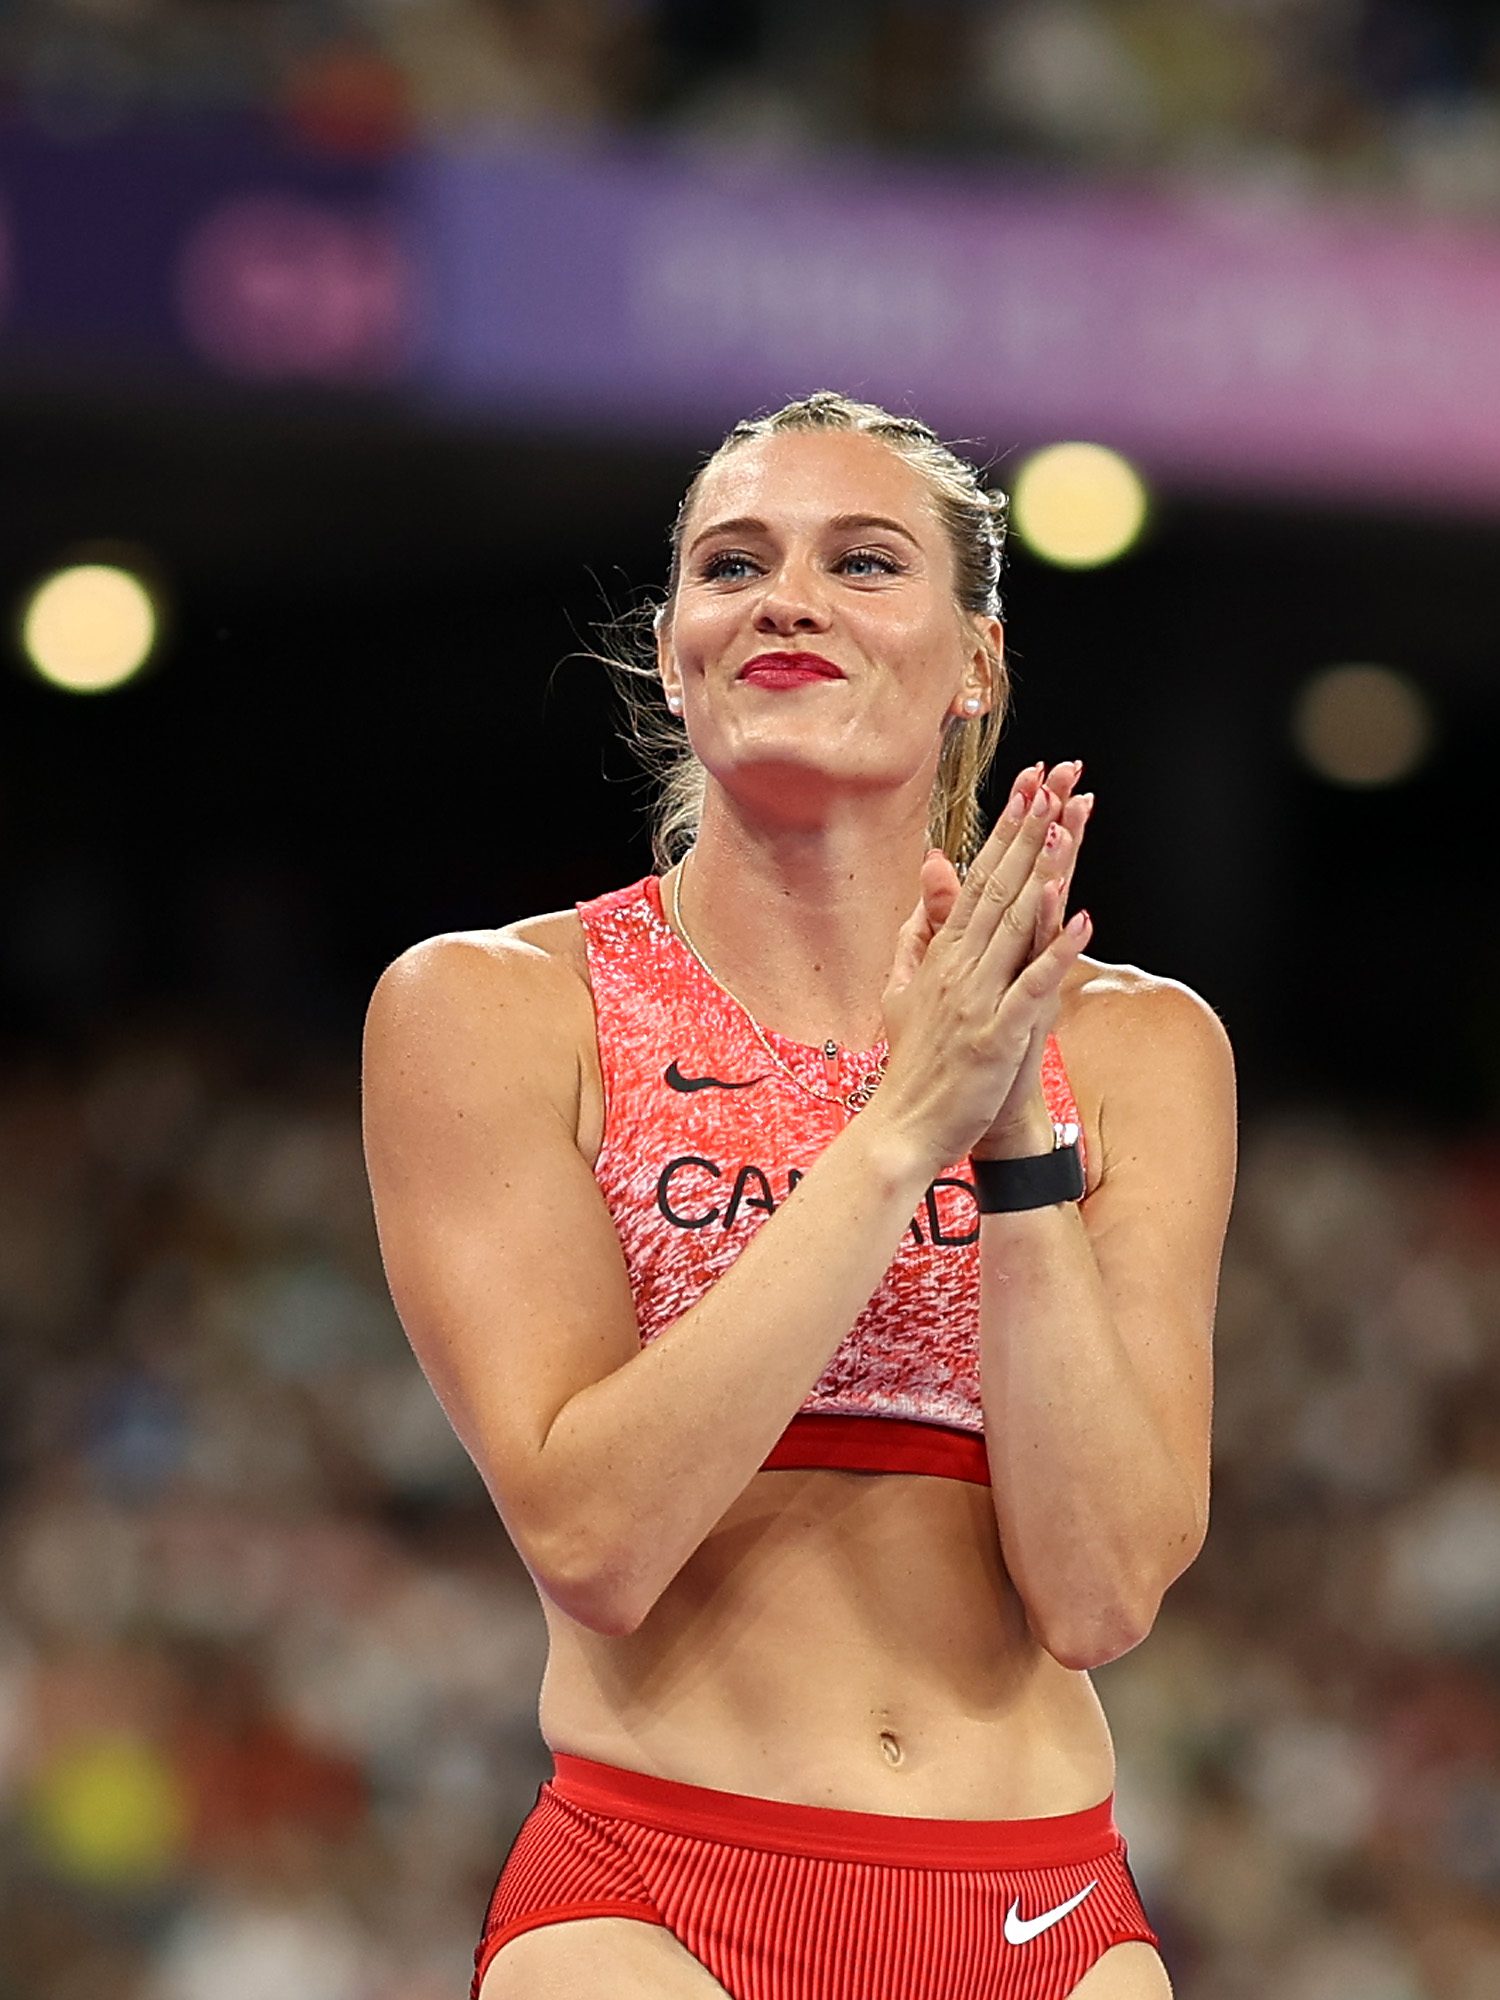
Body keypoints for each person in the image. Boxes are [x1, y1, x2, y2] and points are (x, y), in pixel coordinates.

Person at [360, 392, 1238, 2000]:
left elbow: (1102, 1591)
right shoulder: (492, 1010)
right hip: (655, 1894)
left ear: (976, 660)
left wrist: (1013, 1125)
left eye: (863, 561)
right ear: (677, 646)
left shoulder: (1142, 1046)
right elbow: (595, 1538)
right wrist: (904, 1127)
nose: (788, 597)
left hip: (1042, 1902)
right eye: (734, 562)